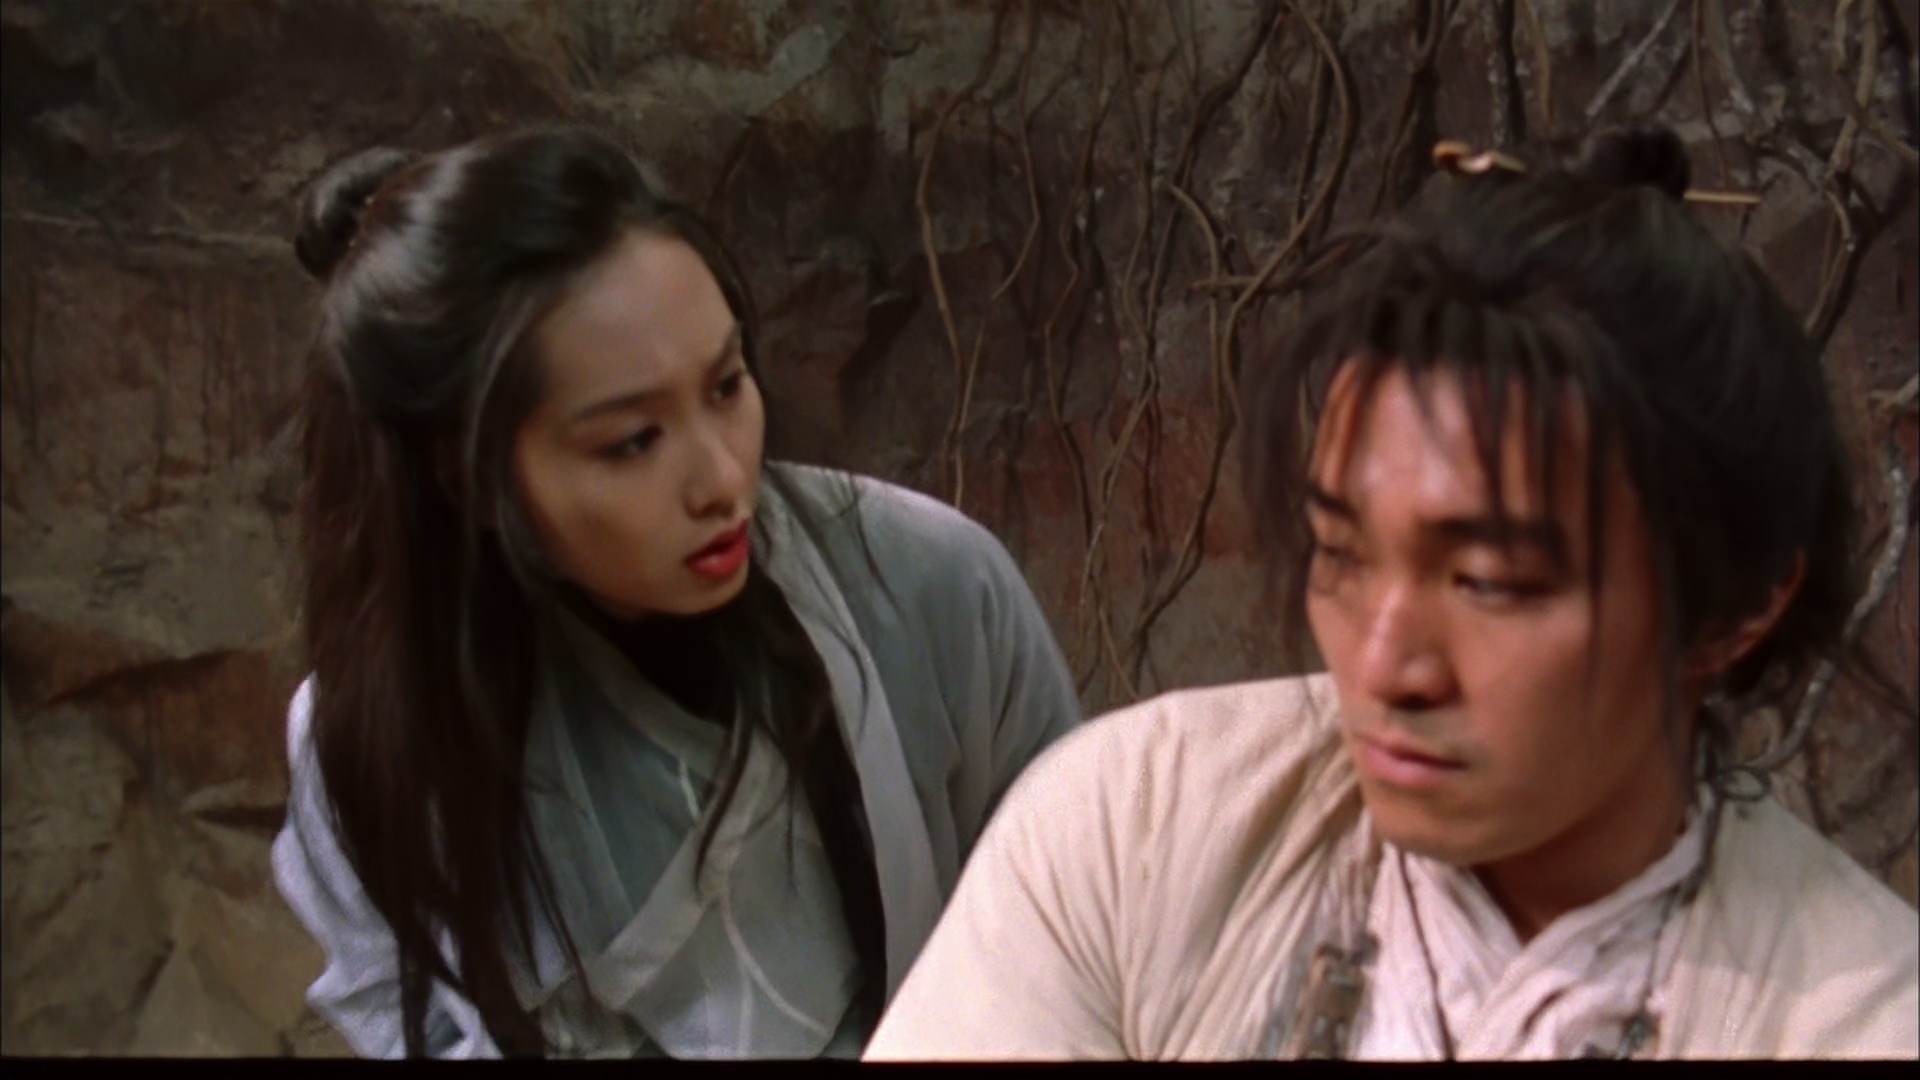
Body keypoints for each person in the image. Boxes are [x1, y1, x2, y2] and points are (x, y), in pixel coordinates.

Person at [863, 126, 1919, 1060]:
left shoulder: (1861, 1018)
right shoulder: (1137, 828)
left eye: (1489, 581)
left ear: (1737, 605)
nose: (1381, 667)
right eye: (1340, 551)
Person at [269, 126, 1081, 1059]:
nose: (723, 478)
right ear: (472, 477)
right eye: (632, 442)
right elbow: (405, 1010)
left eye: (727, 385)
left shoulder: (929, 583)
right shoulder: (381, 729)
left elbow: (1084, 925)